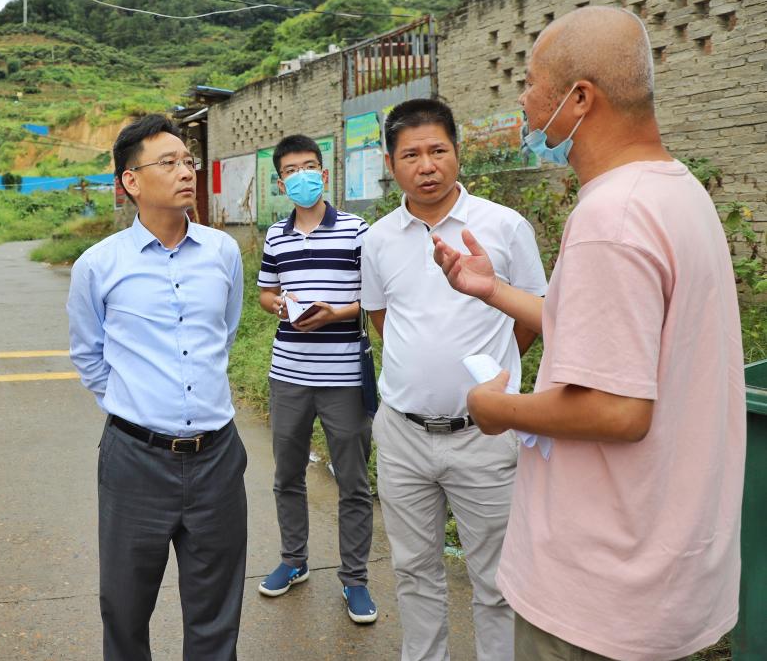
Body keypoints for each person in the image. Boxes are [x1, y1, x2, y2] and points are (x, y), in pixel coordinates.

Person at [433, 6, 745, 661]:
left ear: (580, 98)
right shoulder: (674, 191)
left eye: (532, 81)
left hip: (598, 599)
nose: (522, 98)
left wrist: (495, 408)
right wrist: (493, 289)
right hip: (670, 580)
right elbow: (621, 340)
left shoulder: (612, 217)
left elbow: (617, 407)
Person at [360, 97, 547, 661]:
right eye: (411, 154)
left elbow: (533, 311)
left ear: (457, 154)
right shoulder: (377, 240)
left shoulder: (503, 226)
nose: (427, 165)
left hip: (484, 438)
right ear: (391, 164)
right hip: (403, 436)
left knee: (497, 581)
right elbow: (382, 322)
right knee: (414, 572)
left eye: (438, 150)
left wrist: (492, 380)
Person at [67, 114, 246, 661]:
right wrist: (135, 411)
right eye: (167, 163)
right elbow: (88, 354)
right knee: (124, 608)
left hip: (217, 457)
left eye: (187, 160)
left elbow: (226, 331)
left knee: (217, 611)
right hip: (135, 461)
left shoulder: (223, 253)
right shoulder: (98, 265)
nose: (184, 171)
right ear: (131, 181)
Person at [254, 134, 378, 624]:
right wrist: (281, 304)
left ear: (324, 175)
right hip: (288, 374)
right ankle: (294, 559)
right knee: (287, 475)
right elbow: (266, 293)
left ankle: (356, 580)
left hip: (344, 376)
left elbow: (377, 295)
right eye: (290, 170)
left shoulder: (356, 229)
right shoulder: (276, 235)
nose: (300, 176)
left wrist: (337, 312)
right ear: (281, 181)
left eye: (309, 167)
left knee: (353, 481)